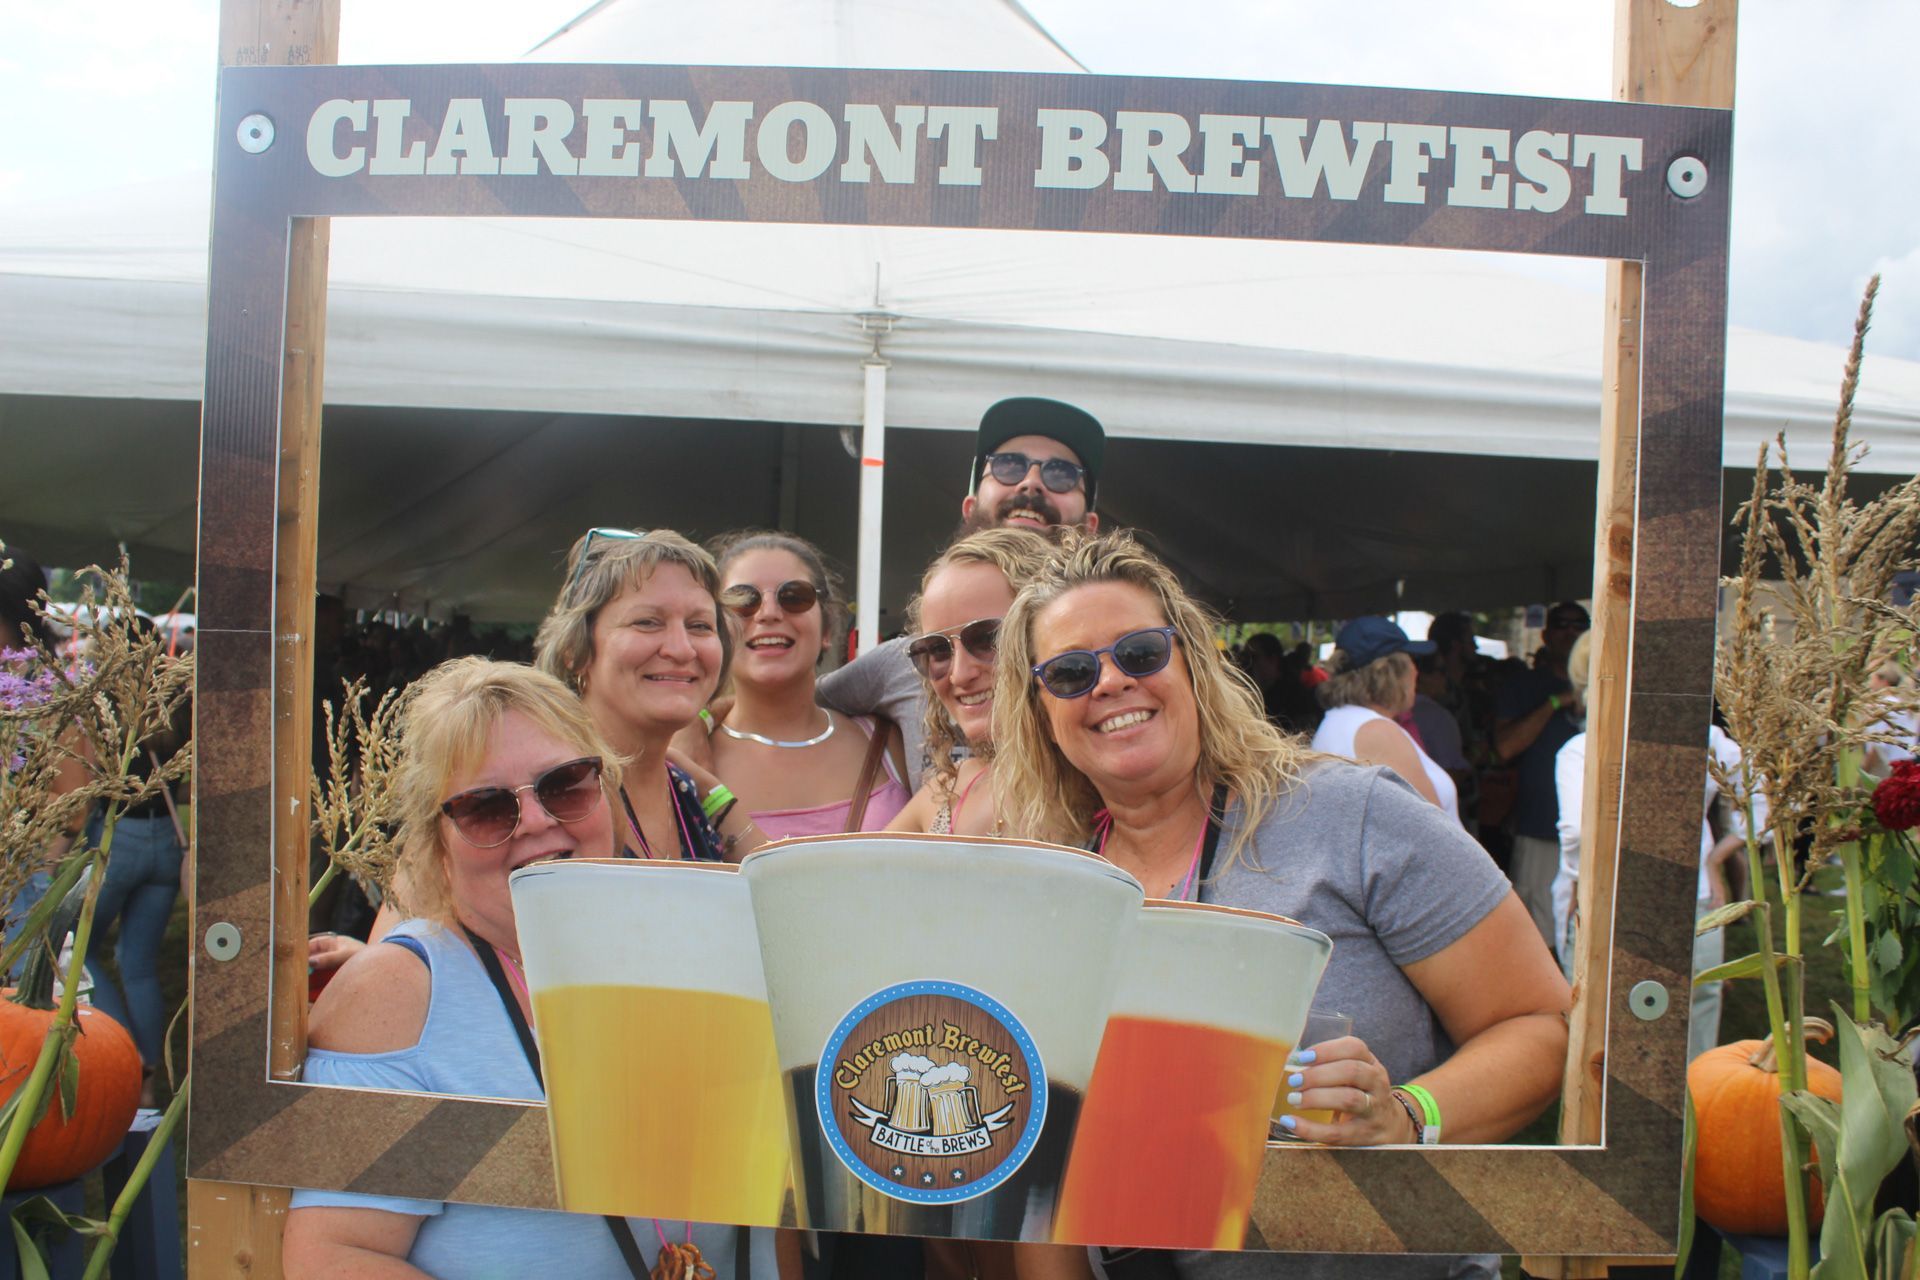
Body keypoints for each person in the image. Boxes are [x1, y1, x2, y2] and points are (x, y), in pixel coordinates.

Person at [994, 531, 1569, 1280]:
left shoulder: (1348, 813)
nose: (1108, 683)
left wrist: (1407, 1115)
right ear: (1039, 711)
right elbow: (1039, 1174)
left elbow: (1542, 1022)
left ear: (1193, 664)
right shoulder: (1050, 890)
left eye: (1139, 653)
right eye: (1069, 672)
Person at [283, 658, 778, 1277]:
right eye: (486, 808)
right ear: (436, 844)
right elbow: (337, 1256)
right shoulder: (396, 994)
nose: (539, 822)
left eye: (566, 783)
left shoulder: (698, 943)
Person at [814, 398, 1106, 791]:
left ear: (1089, 526)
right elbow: (790, 710)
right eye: (1008, 466)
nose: (1031, 482)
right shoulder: (905, 660)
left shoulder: (1118, 661)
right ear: (970, 508)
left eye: (1062, 474)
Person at [1553, 634, 1748, 1059]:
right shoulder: (1704, 738)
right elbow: (1763, 796)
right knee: (1695, 1019)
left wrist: (1576, 880)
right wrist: (1716, 857)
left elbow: (1577, 832)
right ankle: (1695, 1118)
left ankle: (1610, 1120)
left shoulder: (1581, 750)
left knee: (1600, 1028)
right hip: (1691, 894)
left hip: (1610, 900)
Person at [535, 527, 761, 862]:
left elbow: (791, 901)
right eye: (647, 622)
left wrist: (715, 795)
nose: (682, 650)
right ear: (575, 649)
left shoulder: (685, 789)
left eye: (700, 626)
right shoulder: (543, 793)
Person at [708, 532, 910, 839]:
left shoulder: (889, 742)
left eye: (794, 597)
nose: (769, 613)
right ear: (717, 630)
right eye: (744, 601)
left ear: (826, 628)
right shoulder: (686, 757)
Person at [888, 528, 1054, 838]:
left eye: (987, 639)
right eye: (938, 650)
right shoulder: (947, 793)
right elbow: (843, 879)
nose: (959, 675)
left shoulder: (1103, 780)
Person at [1493, 601, 1590, 946]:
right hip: (1539, 828)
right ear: (1546, 634)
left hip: (1599, 833)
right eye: (1562, 624)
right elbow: (1505, 748)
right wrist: (1556, 702)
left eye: (1580, 625)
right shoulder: (1526, 685)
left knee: (1588, 930)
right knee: (1538, 932)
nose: (1571, 631)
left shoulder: (1611, 683)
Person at [1309, 617, 1460, 824]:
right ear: (1390, 673)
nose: (1416, 670)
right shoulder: (1374, 731)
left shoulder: (1343, 721)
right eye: (1410, 660)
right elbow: (1434, 835)